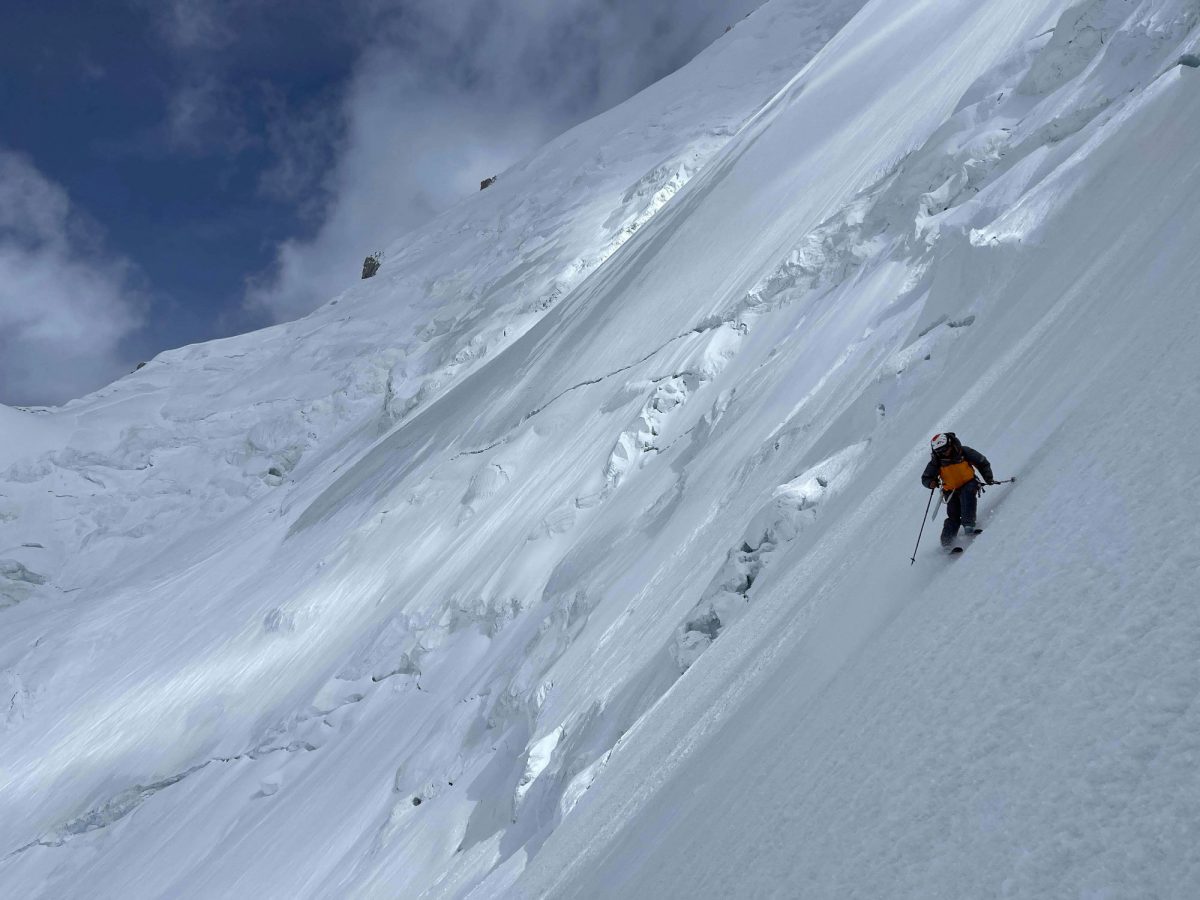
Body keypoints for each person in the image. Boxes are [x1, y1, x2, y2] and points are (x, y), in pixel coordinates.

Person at [921, 432, 994, 548]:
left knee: (968, 496)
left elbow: (982, 462)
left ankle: (968, 525)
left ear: (950, 444)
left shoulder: (963, 451)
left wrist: (988, 478)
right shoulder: (937, 462)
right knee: (953, 515)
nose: (943, 453)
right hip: (950, 491)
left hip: (969, 482)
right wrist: (931, 483)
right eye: (939, 452)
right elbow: (925, 477)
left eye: (945, 449)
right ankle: (946, 543)